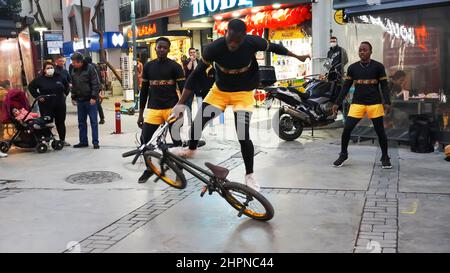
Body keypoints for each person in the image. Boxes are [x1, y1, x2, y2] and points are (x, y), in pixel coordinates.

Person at [171, 19, 310, 191]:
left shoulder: (253, 42)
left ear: (244, 36)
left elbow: (276, 47)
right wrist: (180, 104)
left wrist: (297, 56)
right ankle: (191, 150)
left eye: (238, 41)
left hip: (243, 94)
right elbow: (195, 75)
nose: (233, 44)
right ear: (225, 33)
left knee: (243, 135)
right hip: (219, 92)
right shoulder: (213, 48)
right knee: (198, 124)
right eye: (231, 39)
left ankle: (249, 175)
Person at [331, 41, 392, 169]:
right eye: (360, 50)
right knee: (347, 129)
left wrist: (387, 102)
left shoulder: (378, 67)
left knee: (380, 132)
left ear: (370, 51)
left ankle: (385, 157)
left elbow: (384, 86)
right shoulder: (352, 68)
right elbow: (345, 87)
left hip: (374, 103)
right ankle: (343, 154)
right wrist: (337, 103)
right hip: (357, 103)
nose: (362, 52)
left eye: (364, 50)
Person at [136, 37, 186, 184]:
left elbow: (184, 90)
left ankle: (179, 170)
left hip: (172, 109)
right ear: (155, 48)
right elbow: (144, 91)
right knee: (144, 140)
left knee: (177, 141)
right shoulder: (148, 67)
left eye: (165, 47)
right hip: (154, 109)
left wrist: (182, 108)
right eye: (159, 47)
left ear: (169, 49)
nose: (162, 50)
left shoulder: (176, 67)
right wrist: (140, 114)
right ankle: (149, 168)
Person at [28, 61, 69, 144]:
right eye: (48, 68)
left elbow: (67, 85)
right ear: (44, 70)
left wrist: (65, 94)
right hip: (46, 105)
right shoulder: (39, 79)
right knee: (47, 123)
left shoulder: (59, 77)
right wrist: (38, 96)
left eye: (51, 68)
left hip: (60, 104)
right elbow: (31, 87)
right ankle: (47, 140)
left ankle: (62, 140)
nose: (50, 69)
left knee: (60, 122)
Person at [70, 52, 100, 149]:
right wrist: (73, 97)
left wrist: (94, 97)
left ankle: (95, 142)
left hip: (90, 100)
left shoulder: (90, 68)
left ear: (80, 62)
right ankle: (83, 141)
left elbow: (96, 83)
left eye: (74, 62)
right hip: (80, 100)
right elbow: (73, 85)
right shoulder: (74, 70)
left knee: (93, 122)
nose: (72, 64)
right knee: (81, 122)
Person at [84, 56, 105, 124]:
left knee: (96, 103)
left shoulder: (89, 67)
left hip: (92, 87)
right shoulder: (96, 66)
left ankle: (100, 118)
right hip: (97, 87)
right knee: (97, 103)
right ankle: (101, 118)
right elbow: (100, 77)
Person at [182, 47, 200, 123]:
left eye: (194, 52)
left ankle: (200, 118)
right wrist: (191, 61)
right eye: (191, 52)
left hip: (198, 85)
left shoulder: (199, 61)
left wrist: (195, 61)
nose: (193, 53)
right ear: (189, 54)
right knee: (189, 103)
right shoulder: (186, 61)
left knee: (200, 102)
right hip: (189, 85)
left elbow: (197, 71)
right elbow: (188, 69)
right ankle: (190, 120)